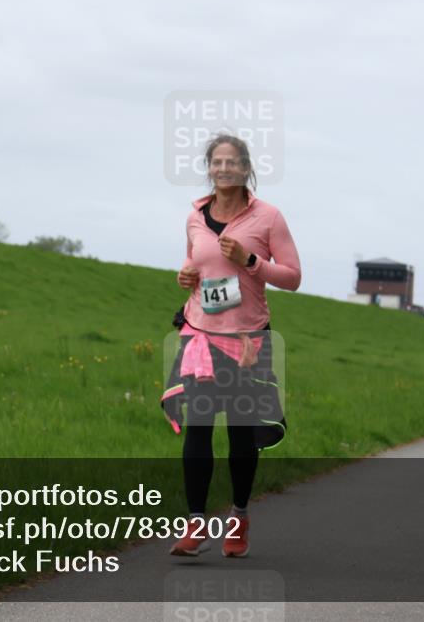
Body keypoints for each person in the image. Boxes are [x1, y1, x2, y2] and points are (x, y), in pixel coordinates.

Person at [164, 134, 301, 559]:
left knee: (241, 436)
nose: (224, 169)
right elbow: (194, 266)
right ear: (210, 168)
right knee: (198, 430)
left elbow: (293, 277)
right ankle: (196, 523)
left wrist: (250, 262)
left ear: (245, 169)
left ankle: (239, 517)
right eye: (217, 162)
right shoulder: (194, 218)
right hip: (200, 336)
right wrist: (185, 278)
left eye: (232, 163)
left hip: (246, 342)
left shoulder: (268, 218)